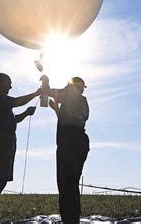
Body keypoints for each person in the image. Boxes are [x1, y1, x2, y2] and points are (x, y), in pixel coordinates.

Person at [0, 73, 40, 223]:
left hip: (6, 143)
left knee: (2, 180)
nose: (11, 87)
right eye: (9, 84)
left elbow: (13, 119)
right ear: (1, 83)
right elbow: (15, 102)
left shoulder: (1, 100)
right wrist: (36, 93)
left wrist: (26, 113)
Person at [44, 75, 90, 224]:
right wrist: (57, 110)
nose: (82, 90)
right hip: (79, 144)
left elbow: (47, 91)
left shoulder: (70, 96)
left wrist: (45, 80)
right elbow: (74, 120)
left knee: (66, 183)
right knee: (72, 183)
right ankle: (72, 218)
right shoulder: (81, 101)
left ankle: (70, 220)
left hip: (69, 145)